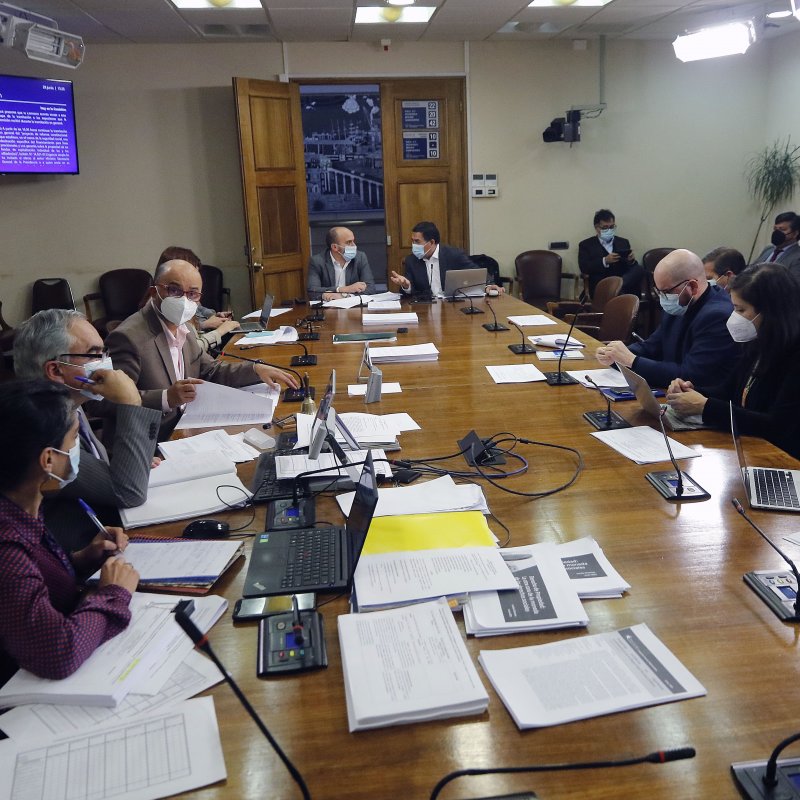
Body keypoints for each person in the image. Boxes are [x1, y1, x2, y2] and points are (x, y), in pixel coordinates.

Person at [0, 380, 139, 687]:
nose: (76, 449)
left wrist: (80, 560)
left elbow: (30, 579)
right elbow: (58, 652)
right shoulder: (6, 546)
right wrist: (113, 594)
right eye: (74, 439)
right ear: (48, 460)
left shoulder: (21, 508)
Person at [14, 309, 161, 554]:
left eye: (104, 352)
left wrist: (132, 461)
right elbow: (128, 493)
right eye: (93, 354)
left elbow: (98, 466)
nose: (105, 363)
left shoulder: (72, 403)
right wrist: (131, 403)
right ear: (56, 370)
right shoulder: (43, 429)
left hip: (102, 538)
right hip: (76, 556)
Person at [105, 258, 298, 439]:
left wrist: (255, 369)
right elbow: (104, 402)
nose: (183, 300)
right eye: (174, 290)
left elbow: (210, 371)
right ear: (154, 291)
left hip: (189, 425)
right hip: (151, 440)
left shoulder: (186, 327)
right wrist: (165, 398)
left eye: (192, 294)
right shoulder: (127, 337)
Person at [666, 264, 800, 460]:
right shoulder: (758, 342)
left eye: (741, 309)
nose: (734, 316)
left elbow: (779, 426)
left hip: (783, 457)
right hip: (750, 448)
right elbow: (729, 391)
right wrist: (691, 391)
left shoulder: (794, 354)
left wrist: (705, 406)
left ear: (771, 312)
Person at [596, 248, 738, 387]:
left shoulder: (717, 316)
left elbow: (690, 375)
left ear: (692, 286)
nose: (662, 298)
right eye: (659, 291)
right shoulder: (680, 303)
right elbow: (651, 347)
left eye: (666, 292)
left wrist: (632, 361)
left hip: (697, 397)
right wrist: (614, 355)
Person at [156, 246, 240, 353]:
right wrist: (217, 330)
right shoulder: (165, 305)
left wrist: (215, 316)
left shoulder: (188, 294)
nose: (196, 277)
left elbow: (199, 309)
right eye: (191, 271)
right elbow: (189, 351)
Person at [389, 221, 503, 297]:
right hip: (426, 310)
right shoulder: (411, 260)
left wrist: (488, 286)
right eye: (412, 241)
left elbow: (477, 274)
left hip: (453, 307)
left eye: (417, 241)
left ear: (432, 242)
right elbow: (409, 292)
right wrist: (406, 286)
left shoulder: (453, 255)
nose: (413, 245)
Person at [578, 209, 644, 297]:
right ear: (597, 228)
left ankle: (618, 288)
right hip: (601, 284)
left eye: (612, 227)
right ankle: (617, 289)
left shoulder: (623, 242)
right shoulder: (586, 245)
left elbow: (631, 267)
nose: (609, 230)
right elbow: (584, 268)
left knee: (639, 269)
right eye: (605, 227)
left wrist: (631, 261)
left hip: (623, 281)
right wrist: (604, 261)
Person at [307, 227, 376, 301]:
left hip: (353, 305)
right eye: (349, 242)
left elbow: (371, 288)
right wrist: (343, 289)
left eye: (353, 241)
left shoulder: (360, 258)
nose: (354, 245)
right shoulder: (317, 261)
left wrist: (345, 296)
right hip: (329, 305)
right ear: (335, 247)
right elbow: (312, 291)